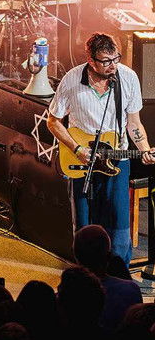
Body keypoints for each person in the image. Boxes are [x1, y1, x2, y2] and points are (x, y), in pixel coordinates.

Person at [47, 32, 155, 265]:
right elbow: (53, 122)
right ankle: (86, 272)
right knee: (84, 225)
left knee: (118, 225)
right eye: (106, 61)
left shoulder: (128, 78)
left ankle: (118, 272)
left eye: (116, 59)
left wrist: (145, 149)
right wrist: (77, 149)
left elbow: (134, 123)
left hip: (117, 159)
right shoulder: (72, 80)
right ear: (91, 60)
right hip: (82, 160)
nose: (112, 65)